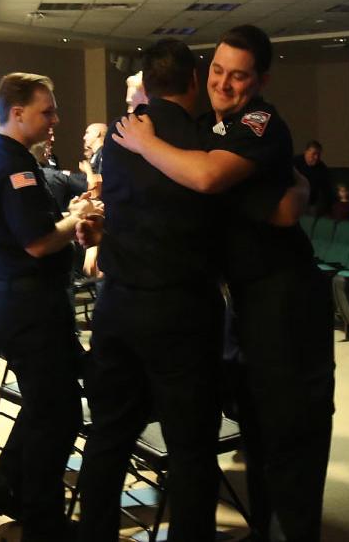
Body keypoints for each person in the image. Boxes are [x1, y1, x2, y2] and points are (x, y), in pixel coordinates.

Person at [111, 25, 333, 541]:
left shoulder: (259, 122)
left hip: (286, 298)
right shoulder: (210, 129)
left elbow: (209, 180)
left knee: (291, 430)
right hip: (248, 301)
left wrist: (145, 143)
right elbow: (280, 200)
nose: (224, 83)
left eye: (239, 76)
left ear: (260, 80)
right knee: (258, 428)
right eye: (217, 70)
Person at [73, 39, 227, 540]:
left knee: (109, 436)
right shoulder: (205, 140)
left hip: (119, 303)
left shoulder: (117, 140)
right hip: (181, 307)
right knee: (190, 446)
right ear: (193, 80)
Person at [0, 72, 102, 541]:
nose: (55, 120)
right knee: (58, 416)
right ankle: (43, 524)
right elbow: (39, 242)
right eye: (47, 111)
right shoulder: (15, 168)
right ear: (18, 112)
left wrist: (65, 216)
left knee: (43, 408)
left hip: (16, 305)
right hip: (31, 308)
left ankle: (10, 489)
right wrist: (79, 218)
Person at [293, 140, 333, 215]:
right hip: (295, 199)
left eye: (319, 155)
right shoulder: (294, 162)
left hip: (312, 202)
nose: (316, 157)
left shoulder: (322, 168)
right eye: (314, 154)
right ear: (306, 152)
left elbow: (327, 189)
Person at [82, 122, 107, 195]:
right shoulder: (96, 155)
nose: (84, 137)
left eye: (87, 133)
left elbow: (101, 181)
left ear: (97, 133)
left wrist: (87, 170)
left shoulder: (104, 153)